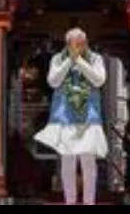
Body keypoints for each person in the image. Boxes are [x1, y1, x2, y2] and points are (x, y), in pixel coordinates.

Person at [34, 28, 107, 205]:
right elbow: (53, 81)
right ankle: (70, 201)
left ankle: (89, 201)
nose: (79, 47)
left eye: (82, 44)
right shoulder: (58, 59)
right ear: (68, 44)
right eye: (75, 44)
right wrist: (69, 61)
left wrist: (80, 61)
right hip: (65, 114)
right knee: (68, 160)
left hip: (88, 114)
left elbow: (99, 80)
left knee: (88, 159)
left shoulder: (95, 59)